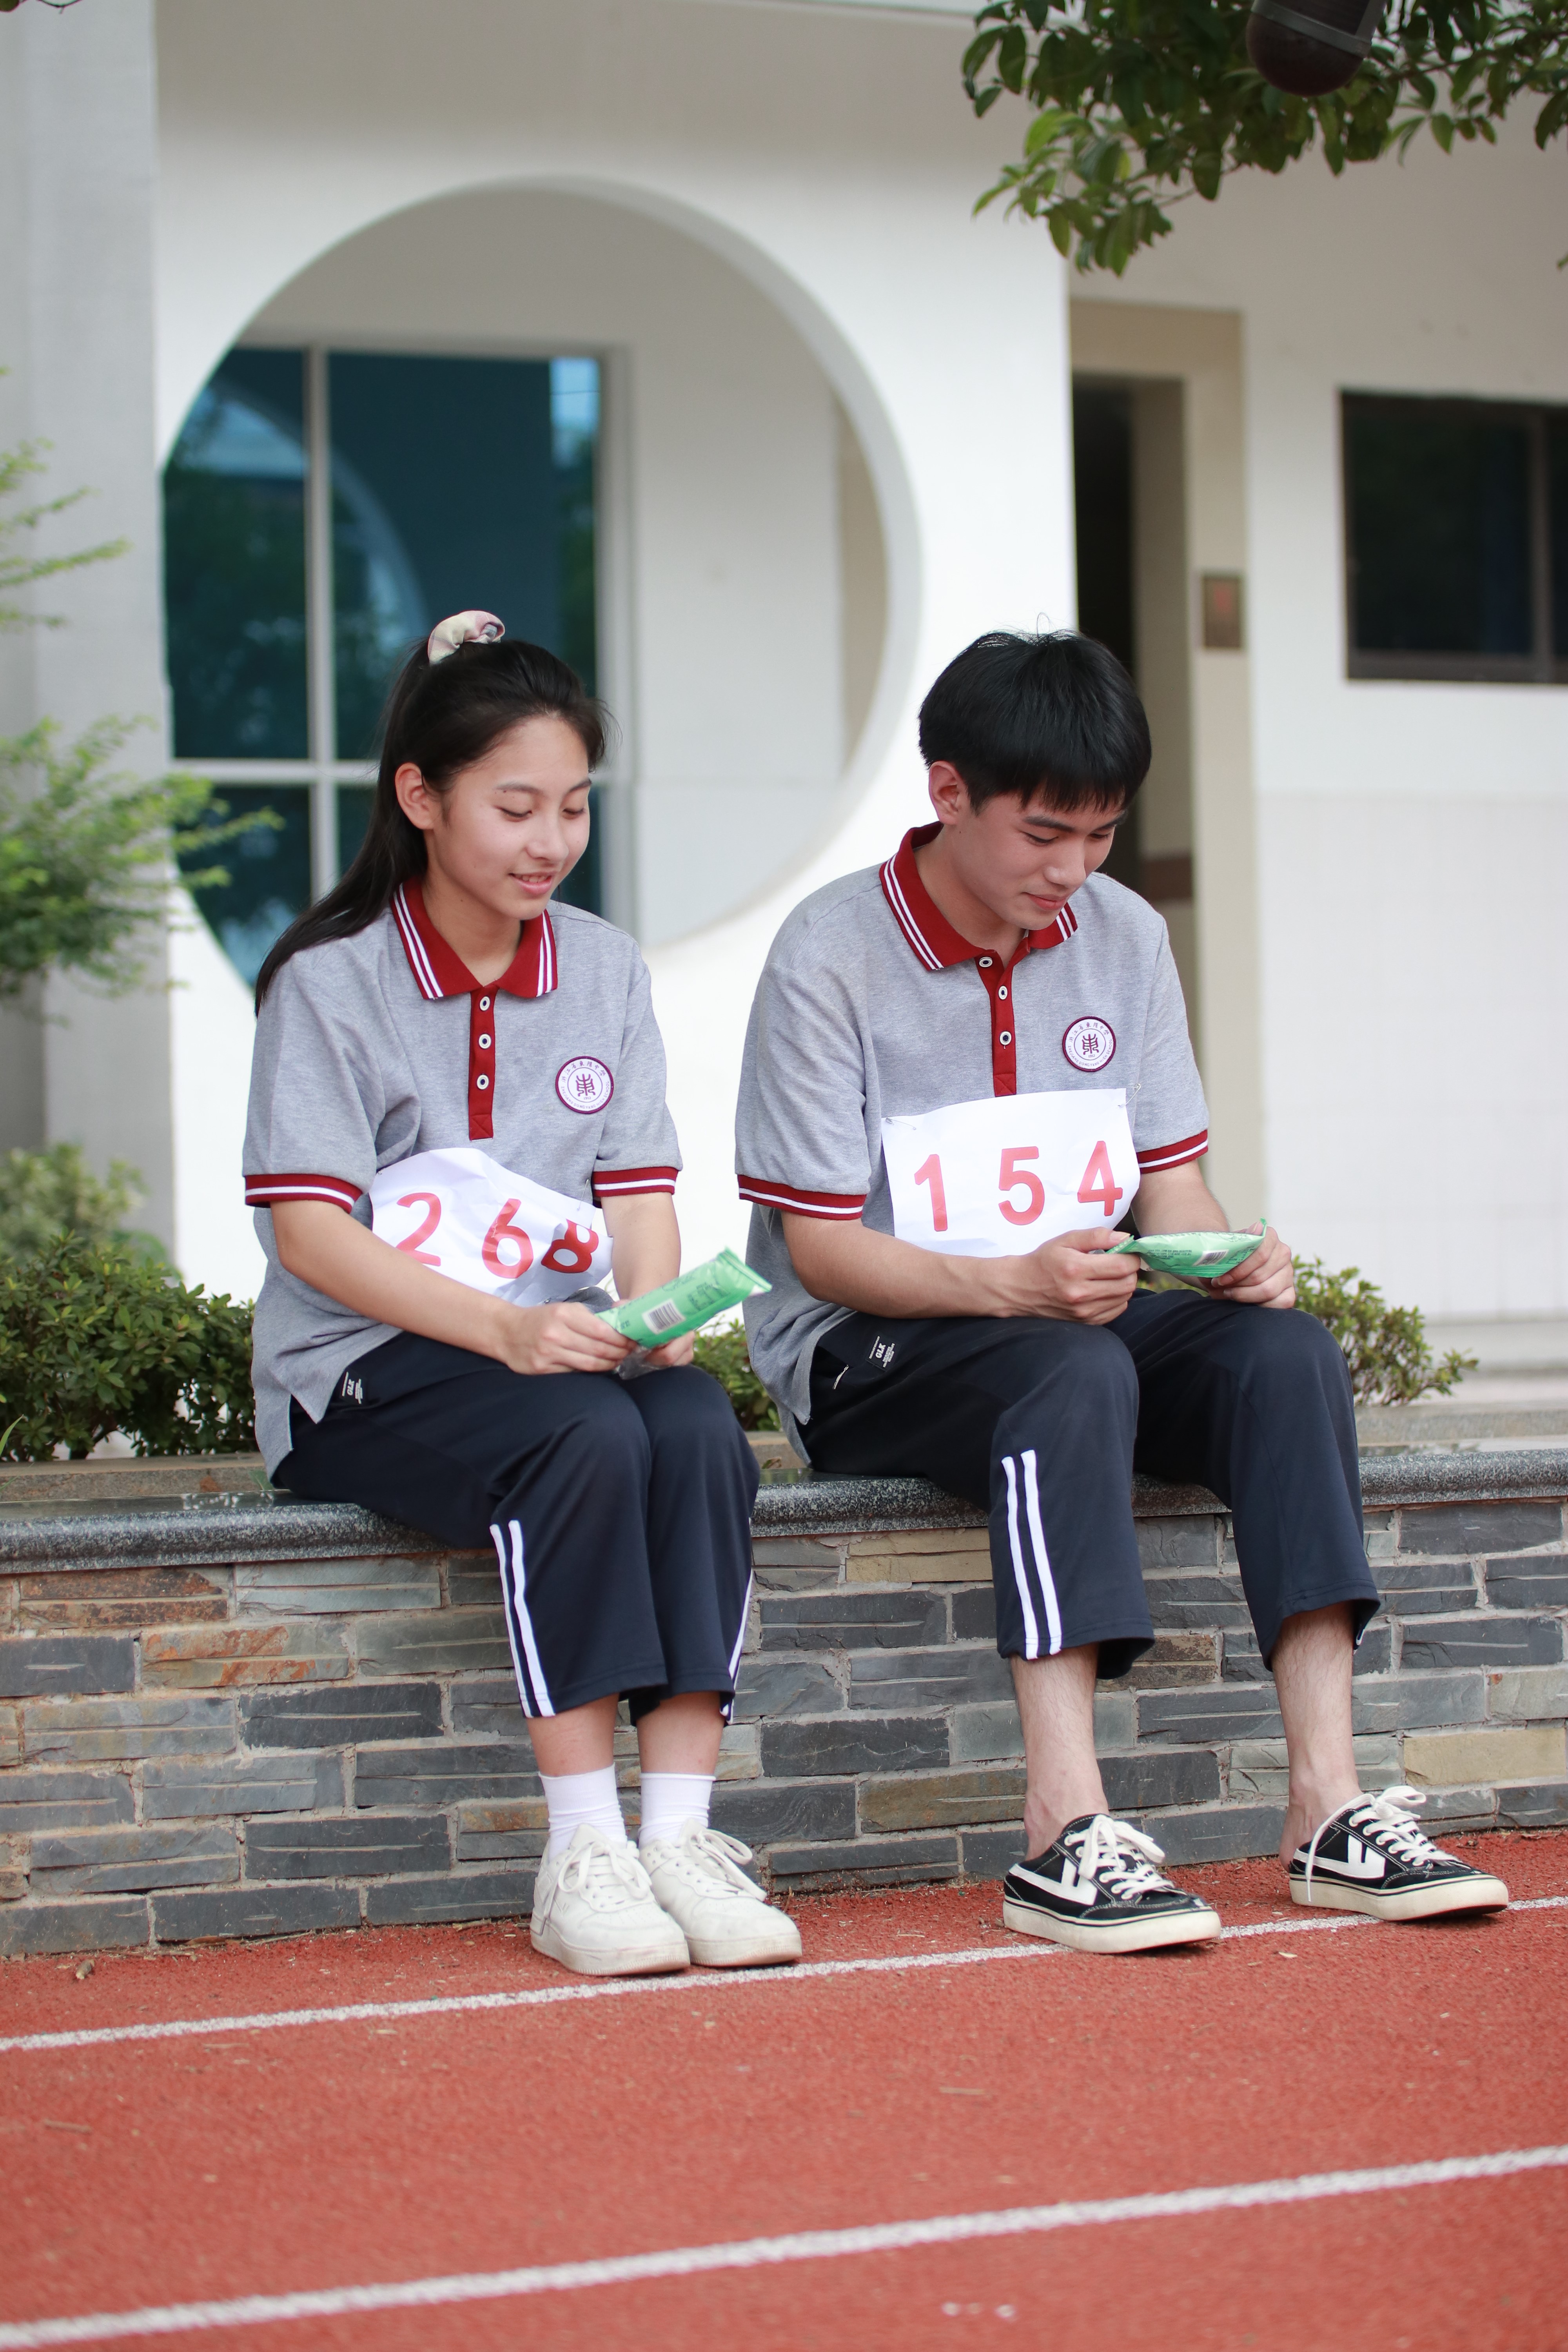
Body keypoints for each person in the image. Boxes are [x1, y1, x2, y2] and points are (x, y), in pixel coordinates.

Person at [734, 628, 1508, 1953]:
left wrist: (1230, 1261)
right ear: (948, 791)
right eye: (1044, 834)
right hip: (870, 1344)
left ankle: (1327, 1804)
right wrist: (1014, 1287)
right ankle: (1063, 1827)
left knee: (1283, 1354)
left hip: (1070, 1314)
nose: (1073, 870)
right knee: (1069, 1363)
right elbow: (819, 1250)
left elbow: (1172, 1187)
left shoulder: (1126, 936)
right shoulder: (830, 955)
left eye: (1100, 835)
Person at [243, 611, 799, 1980]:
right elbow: (310, 1236)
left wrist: (655, 1315)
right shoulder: (331, 983)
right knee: (587, 1436)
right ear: (421, 797)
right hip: (361, 1370)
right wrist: (505, 1328)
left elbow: (639, 1191)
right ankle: (583, 1851)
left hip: (550, 1353)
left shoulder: (601, 967)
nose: (551, 840)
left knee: (692, 1428)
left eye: (575, 806)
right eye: (516, 807)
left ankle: (680, 1836)